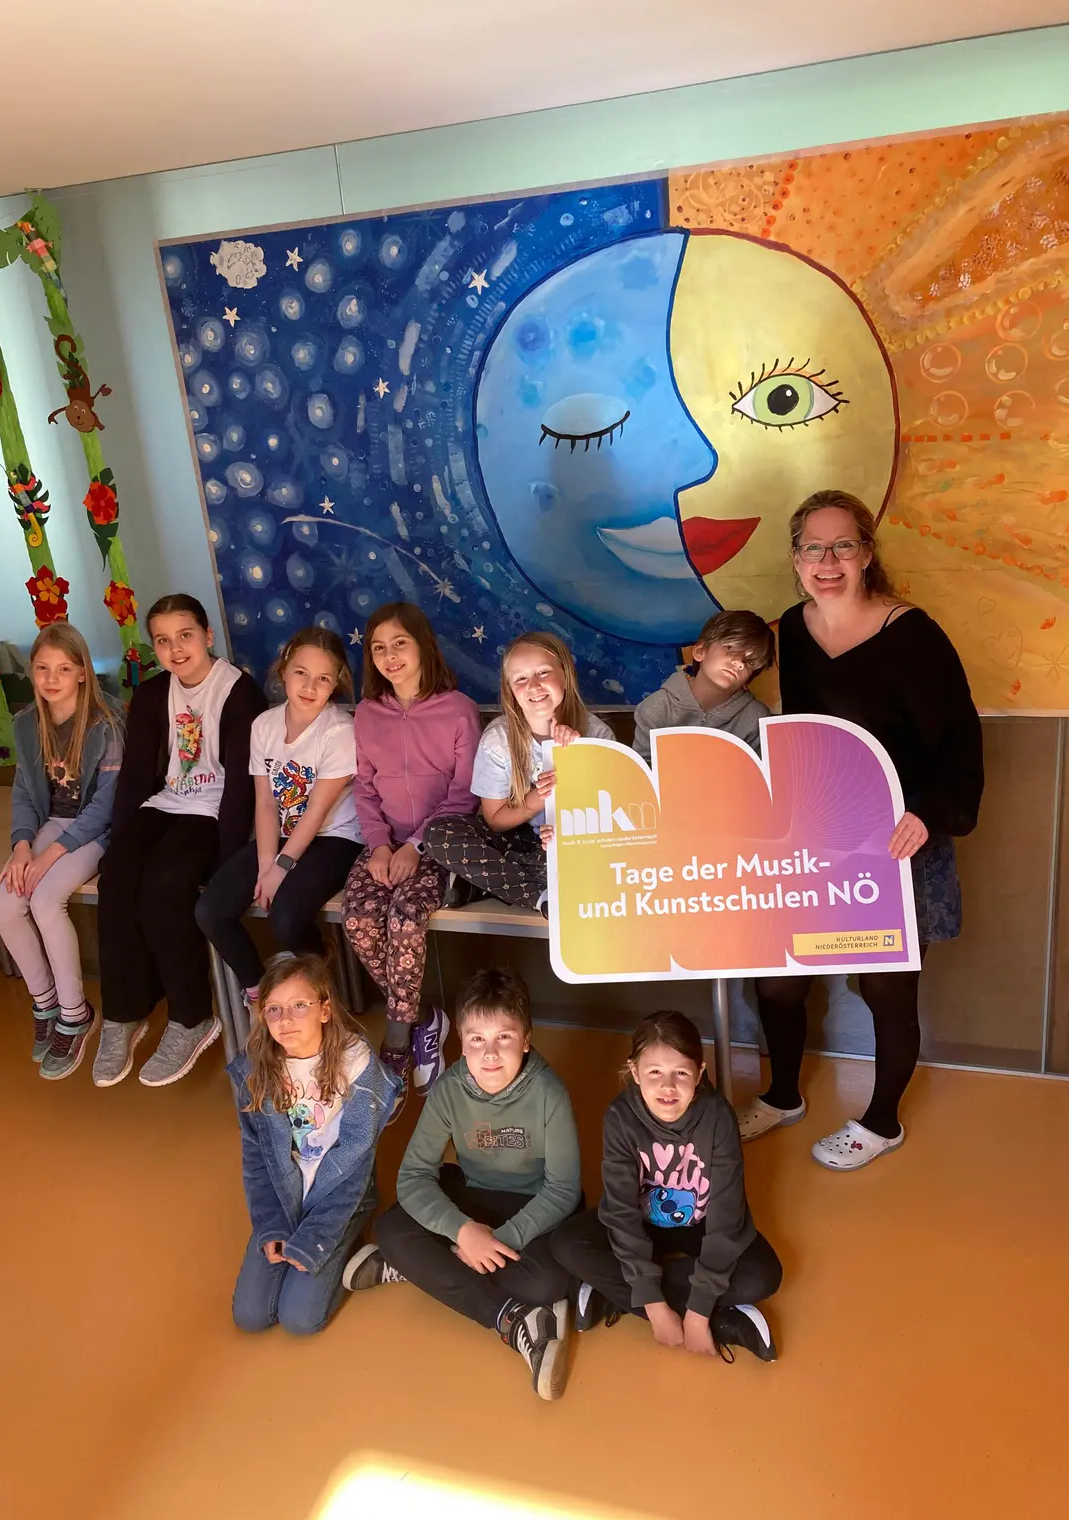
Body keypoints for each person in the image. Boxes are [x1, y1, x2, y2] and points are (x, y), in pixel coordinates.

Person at [737, 488, 984, 1169]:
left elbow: (959, 743)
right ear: (796, 559)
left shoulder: (914, 635)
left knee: (885, 987)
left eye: (842, 545)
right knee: (780, 980)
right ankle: (783, 1095)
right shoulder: (793, 630)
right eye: (813, 548)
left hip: (900, 838)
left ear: (867, 553)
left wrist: (930, 815)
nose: (828, 561)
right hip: (820, 834)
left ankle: (882, 1122)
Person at [342, 969, 579, 1401]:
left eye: (504, 1038)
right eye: (476, 1040)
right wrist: (464, 1232)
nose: (490, 1054)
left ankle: (423, 1269)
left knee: (550, 1281)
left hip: (532, 1207)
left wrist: (500, 1240)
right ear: (462, 1043)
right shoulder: (449, 1090)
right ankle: (513, 1319)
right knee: (392, 1228)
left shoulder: (550, 1093)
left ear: (526, 1040)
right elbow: (414, 1176)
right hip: (474, 1196)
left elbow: (563, 1190)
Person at [92, 594, 266, 1089]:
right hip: (166, 803)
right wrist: (123, 840)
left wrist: (226, 860)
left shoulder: (239, 693)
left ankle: (192, 1018)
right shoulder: (152, 694)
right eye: (163, 641)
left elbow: (241, 788)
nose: (176, 648)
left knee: (165, 885)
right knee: (117, 875)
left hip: (213, 812)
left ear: (208, 636)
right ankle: (123, 1013)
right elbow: (135, 777)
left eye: (185, 635)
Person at [552, 1010, 781, 1362]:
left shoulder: (718, 1116)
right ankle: (723, 1322)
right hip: (643, 1222)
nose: (668, 1086)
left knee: (763, 1276)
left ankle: (614, 1292)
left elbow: (727, 1215)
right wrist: (656, 1309)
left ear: (700, 1073)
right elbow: (621, 1213)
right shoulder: (620, 1117)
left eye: (681, 1073)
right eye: (655, 1072)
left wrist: (697, 1310)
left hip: (701, 1223)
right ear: (635, 1072)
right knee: (567, 1244)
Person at [340, 602, 480, 1105]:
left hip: (440, 842)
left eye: (399, 643)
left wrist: (418, 845)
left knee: (404, 917)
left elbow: (464, 795)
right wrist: (380, 845)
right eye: (378, 647)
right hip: (384, 844)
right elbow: (363, 787)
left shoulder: (459, 709)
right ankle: (424, 1017)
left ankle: (397, 1040)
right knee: (358, 918)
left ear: (423, 645)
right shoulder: (367, 713)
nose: (389, 656)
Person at [230, 952, 397, 1336]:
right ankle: (308, 1240)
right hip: (287, 1195)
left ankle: (353, 1236)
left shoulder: (358, 1066)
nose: (285, 1019)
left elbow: (354, 1165)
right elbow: (256, 1159)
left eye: (299, 1005)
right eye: (273, 1009)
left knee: (300, 1320)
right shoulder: (255, 1069)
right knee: (250, 1316)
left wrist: (316, 1238)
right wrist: (271, 1225)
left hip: (338, 1196)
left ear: (324, 1010)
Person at [196, 627, 362, 1006]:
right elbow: (266, 803)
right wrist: (265, 863)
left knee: (285, 915)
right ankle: (264, 995)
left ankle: (317, 969)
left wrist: (280, 868)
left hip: (335, 839)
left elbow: (317, 810)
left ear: (335, 683)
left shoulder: (339, 731)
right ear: (284, 670)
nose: (310, 686)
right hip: (284, 835)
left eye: (323, 678)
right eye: (301, 672)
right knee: (210, 911)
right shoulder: (264, 725)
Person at [0, 624, 122, 1080]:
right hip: (51, 825)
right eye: (42, 668)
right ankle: (45, 1003)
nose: (51, 678)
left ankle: (75, 1013)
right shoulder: (28, 723)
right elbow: (24, 793)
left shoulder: (106, 724)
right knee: (3, 903)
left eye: (63, 669)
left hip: (96, 832)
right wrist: (22, 847)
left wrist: (49, 857)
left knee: (47, 901)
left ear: (82, 672)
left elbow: (106, 806)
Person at [423, 631, 613, 916]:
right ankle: (541, 897)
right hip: (522, 837)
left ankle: (485, 883)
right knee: (439, 833)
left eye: (543, 672)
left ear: (565, 675)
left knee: (594, 866)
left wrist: (578, 754)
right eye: (520, 679)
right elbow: (496, 820)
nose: (533, 685)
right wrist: (537, 799)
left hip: (578, 843)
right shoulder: (498, 739)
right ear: (510, 689)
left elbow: (613, 814)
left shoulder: (596, 734)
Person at [632, 609, 774, 760]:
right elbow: (643, 768)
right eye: (731, 648)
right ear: (700, 652)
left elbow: (758, 771)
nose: (739, 663)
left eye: (750, 662)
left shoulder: (757, 719)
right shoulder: (657, 708)